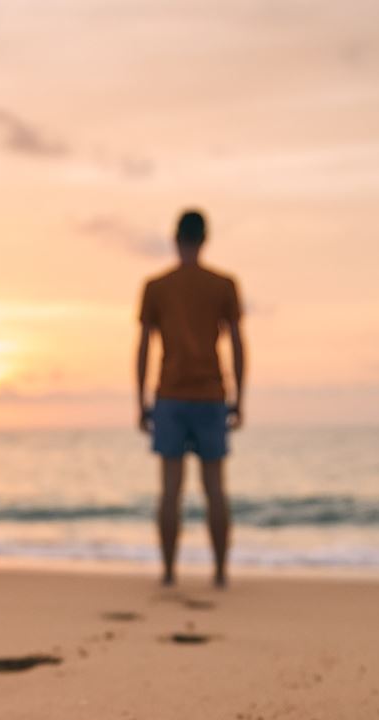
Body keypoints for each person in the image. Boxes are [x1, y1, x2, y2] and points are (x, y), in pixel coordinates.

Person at [136, 209, 244, 588]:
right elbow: (238, 345)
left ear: (175, 239)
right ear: (204, 239)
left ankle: (168, 573)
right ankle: (219, 573)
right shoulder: (222, 285)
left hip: (170, 395)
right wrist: (238, 397)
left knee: (170, 491)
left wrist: (141, 401)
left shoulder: (157, 287)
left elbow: (144, 348)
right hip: (211, 394)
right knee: (215, 488)